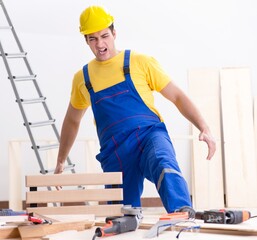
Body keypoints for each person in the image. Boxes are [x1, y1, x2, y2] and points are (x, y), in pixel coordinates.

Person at [54, 5, 216, 213]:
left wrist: (204, 127)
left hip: (149, 136)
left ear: (114, 33)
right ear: (86, 40)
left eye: (104, 36)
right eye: (92, 39)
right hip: (115, 151)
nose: (100, 44)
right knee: (122, 214)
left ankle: (182, 215)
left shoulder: (140, 62)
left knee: (164, 164)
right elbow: (72, 121)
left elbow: (177, 96)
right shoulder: (83, 78)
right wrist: (60, 161)